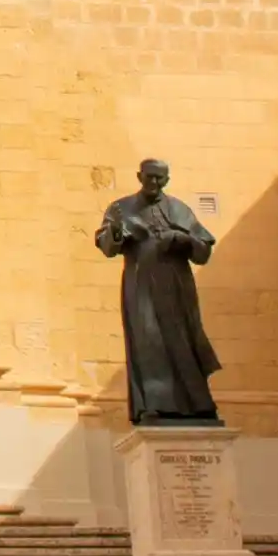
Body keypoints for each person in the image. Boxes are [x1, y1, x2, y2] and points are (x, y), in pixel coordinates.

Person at [94, 158, 222, 423]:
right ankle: (154, 404)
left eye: (159, 178)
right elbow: (108, 247)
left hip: (176, 287)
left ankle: (197, 404)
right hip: (141, 286)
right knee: (148, 343)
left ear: (167, 180)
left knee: (184, 340)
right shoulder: (122, 208)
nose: (153, 182)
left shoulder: (178, 209)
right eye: (149, 177)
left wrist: (181, 238)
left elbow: (203, 252)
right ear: (139, 176)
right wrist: (116, 231)